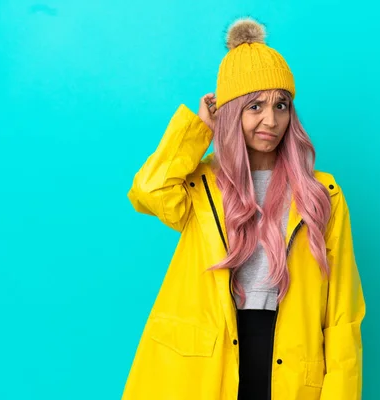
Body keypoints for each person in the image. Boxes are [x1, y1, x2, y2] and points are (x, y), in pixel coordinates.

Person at [122, 17, 366, 400]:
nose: (271, 120)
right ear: (232, 112)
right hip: (209, 363)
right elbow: (149, 191)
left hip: (290, 362)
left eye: (281, 105)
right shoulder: (201, 185)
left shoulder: (323, 194)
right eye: (255, 106)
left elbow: (342, 315)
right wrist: (198, 130)